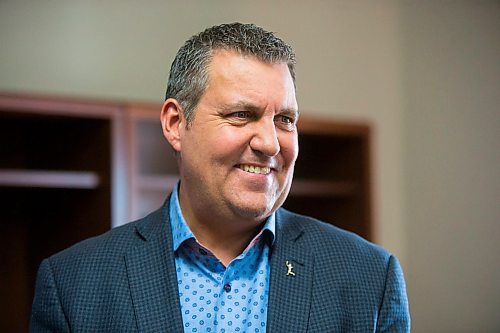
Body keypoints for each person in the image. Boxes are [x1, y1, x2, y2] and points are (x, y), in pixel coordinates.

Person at [30, 23, 410, 332]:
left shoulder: (369, 278)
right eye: (241, 115)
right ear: (176, 124)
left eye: (285, 120)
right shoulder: (72, 284)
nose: (270, 144)